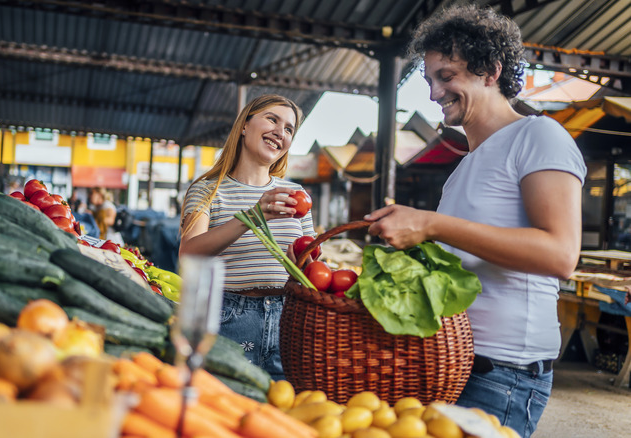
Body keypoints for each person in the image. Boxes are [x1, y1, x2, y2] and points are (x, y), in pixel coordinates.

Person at [363, 5, 586, 438]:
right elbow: (465, 259)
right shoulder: (465, 167)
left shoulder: (538, 136)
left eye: (446, 76)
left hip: (503, 374)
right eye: (429, 80)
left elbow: (560, 254)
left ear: (490, 71)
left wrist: (432, 226)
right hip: (452, 363)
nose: (433, 93)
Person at [179, 94, 314, 380]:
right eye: (272, 119)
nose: (281, 131)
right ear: (244, 125)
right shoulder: (208, 190)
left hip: (288, 320)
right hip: (229, 318)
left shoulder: (296, 195)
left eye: (289, 129)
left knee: (285, 413)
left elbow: (309, 266)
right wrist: (253, 216)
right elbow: (188, 254)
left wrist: (306, 263)